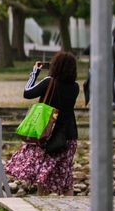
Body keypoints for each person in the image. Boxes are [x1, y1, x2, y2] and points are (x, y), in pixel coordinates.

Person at [5, 53, 80, 195]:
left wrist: (35, 72)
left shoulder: (49, 82)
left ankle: (42, 202)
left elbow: (27, 93)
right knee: (66, 174)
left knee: (42, 173)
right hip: (69, 136)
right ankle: (70, 205)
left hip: (47, 134)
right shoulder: (75, 87)